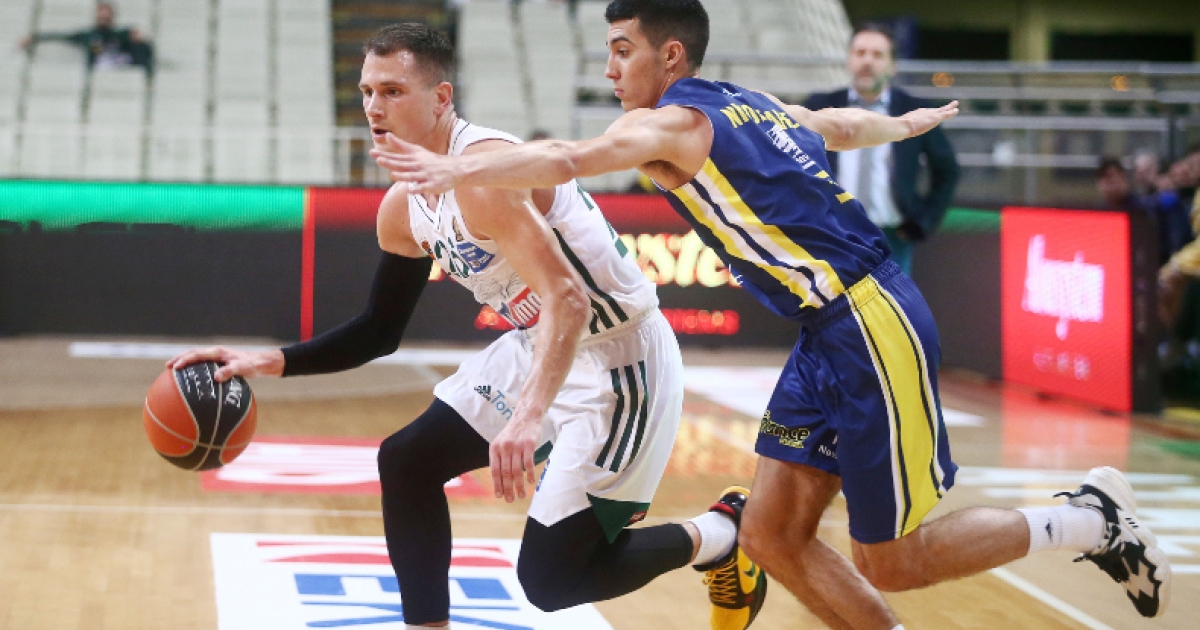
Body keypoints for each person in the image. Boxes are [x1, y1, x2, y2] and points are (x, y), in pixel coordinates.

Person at [370, 1, 1172, 626]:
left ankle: (1088, 519)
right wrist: (900, 126)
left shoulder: (670, 122)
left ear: (670, 56)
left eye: (623, 50)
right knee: (769, 537)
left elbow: (567, 158)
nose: (610, 69)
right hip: (824, 333)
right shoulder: (747, 104)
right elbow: (836, 126)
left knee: (889, 559)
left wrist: (455, 169)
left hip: (869, 319)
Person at [167, 23, 757, 630]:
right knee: (407, 461)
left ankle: (722, 534)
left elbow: (570, 299)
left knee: (550, 582)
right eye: (367, 91)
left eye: (393, 91)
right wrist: (271, 361)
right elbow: (379, 329)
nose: (373, 107)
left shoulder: (483, 173)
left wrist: (526, 418)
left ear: (441, 99)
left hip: (619, 361)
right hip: (543, 343)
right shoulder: (403, 207)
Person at [802, 23, 959, 277]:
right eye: (860, 53)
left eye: (877, 55)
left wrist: (923, 221)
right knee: (826, 302)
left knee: (890, 303)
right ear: (849, 59)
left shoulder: (914, 110)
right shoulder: (820, 105)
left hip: (891, 236)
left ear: (893, 65)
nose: (867, 61)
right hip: (831, 232)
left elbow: (947, 170)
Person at [20, 2, 153, 73]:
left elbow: (143, 50)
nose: (103, 18)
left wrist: (140, 41)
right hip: (97, 72)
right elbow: (61, 36)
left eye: (106, 15)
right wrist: (35, 38)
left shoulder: (123, 34)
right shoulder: (88, 35)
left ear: (113, 16)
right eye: (101, 14)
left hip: (120, 70)